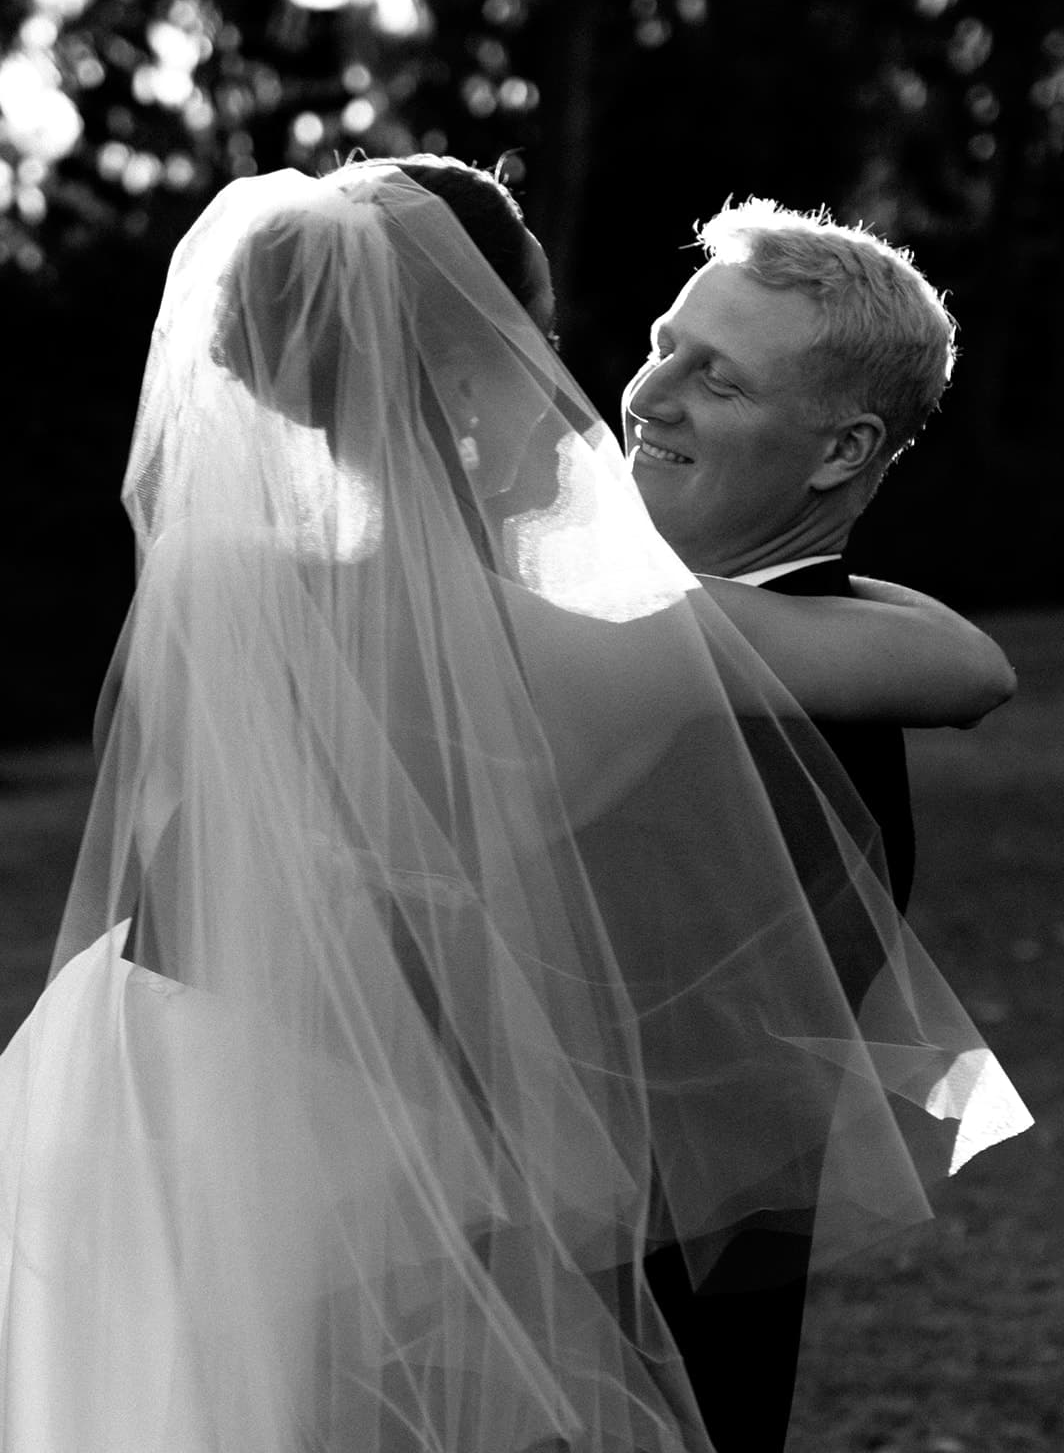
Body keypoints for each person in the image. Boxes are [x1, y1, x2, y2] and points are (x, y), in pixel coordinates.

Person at [0, 162, 1030, 1453]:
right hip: (386, 1217)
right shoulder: (582, 646)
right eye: (552, 338)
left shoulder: (225, 579)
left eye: (716, 373)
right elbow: (969, 669)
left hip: (131, 1123)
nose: (617, 382)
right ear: (471, 366)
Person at [620, 196, 998, 1450]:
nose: (646, 394)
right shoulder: (835, 644)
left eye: (712, 379)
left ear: (838, 453)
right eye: (662, 340)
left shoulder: (781, 726)